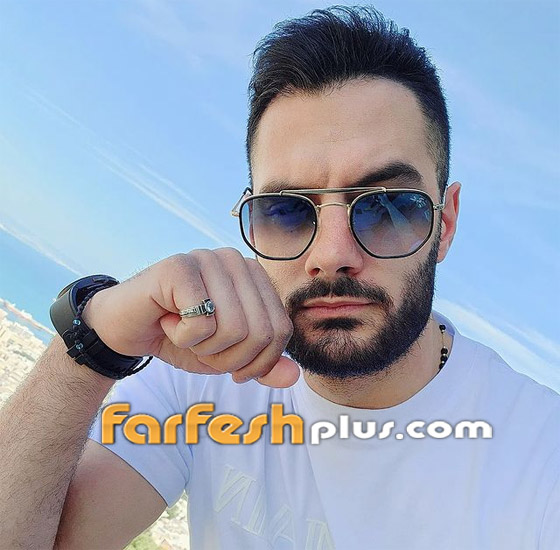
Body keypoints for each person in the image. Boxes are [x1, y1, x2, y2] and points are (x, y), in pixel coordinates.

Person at [0, 5, 558, 550]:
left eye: (387, 207)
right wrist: (93, 341)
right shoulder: (206, 369)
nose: (331, 255)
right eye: (288, 210)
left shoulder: (539, 462)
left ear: (446, 223)